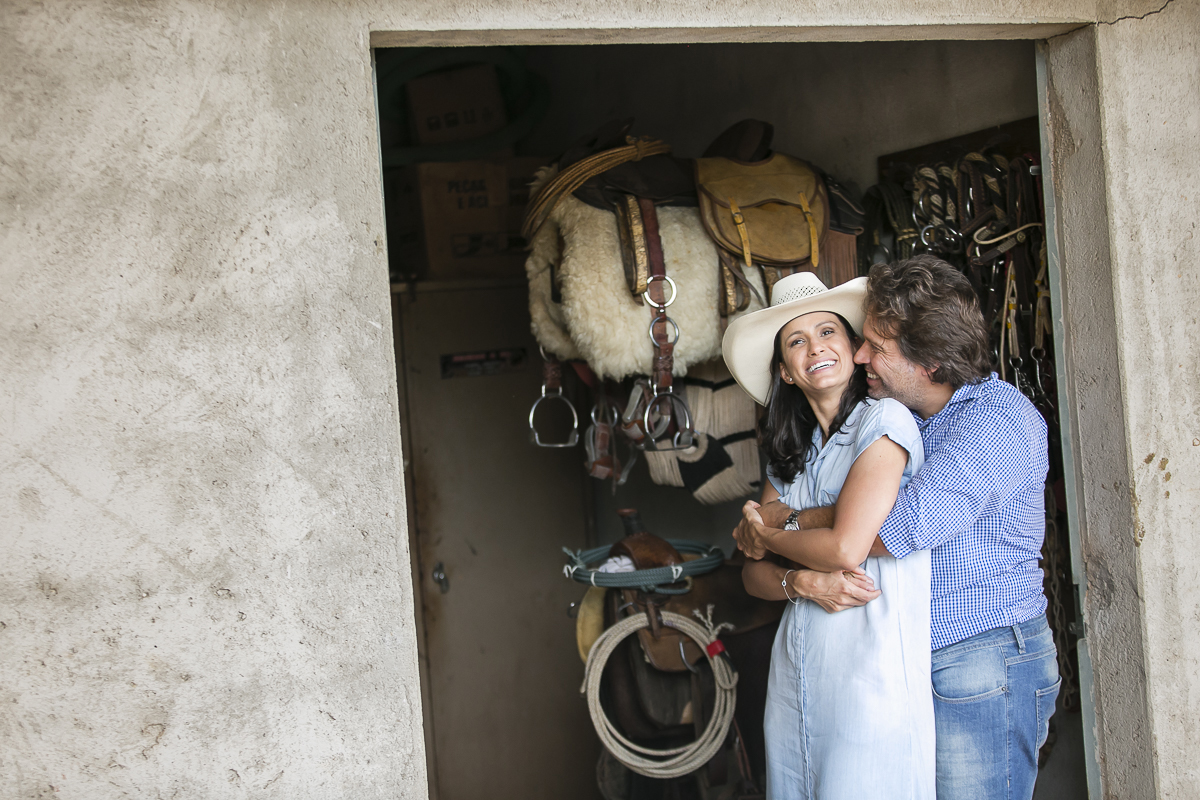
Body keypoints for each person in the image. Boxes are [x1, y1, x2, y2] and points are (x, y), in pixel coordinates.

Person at [738, 254, 1059, 800]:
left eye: (876, 348)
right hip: (922, 659)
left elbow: (887, 530)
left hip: (979, 659)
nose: (861, 355)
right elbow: (859, 518)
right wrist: (797, 549)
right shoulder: (913, 420)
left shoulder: (993, 420)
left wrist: (781, 522)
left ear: (929, 361)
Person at [721, 271, 935, 800]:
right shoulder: (789, 455)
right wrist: (804, 585)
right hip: (796, 678)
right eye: (796, 340)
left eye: (828, 332)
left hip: (872, 682)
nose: (815, 347)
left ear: (852, 345)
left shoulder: (883, 422)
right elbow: (752, 577)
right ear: (786, 373)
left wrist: (771, 531)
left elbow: (845, 547)